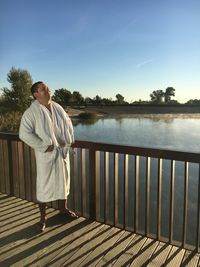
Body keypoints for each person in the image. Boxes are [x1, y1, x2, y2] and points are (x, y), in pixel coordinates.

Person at [19, 81, 77, 232]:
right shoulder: (31, 112)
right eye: (42, 88)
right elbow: (24, 133)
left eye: (46, 86)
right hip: (47, 154)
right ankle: (43, 218)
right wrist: (44, 146)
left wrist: (68, 140)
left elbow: (68, 123)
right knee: (44, 186)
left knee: (64, 181)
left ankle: (63, 209)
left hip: (61, 151)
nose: (47, 89)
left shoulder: (57, 107)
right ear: (36, 94)